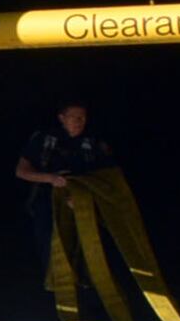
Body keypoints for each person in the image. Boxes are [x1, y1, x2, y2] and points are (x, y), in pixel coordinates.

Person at [14, 98, 115, 277]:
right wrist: (50, 178)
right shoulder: (44, 138)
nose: (79, 121)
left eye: (82, 117)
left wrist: (84, 197)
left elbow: (108, 176)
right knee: (51, 244)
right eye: (73, 117)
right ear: (62, 118)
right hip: (47, 201)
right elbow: (21, 171)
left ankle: (86, 284)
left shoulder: (93, 141)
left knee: (88, 246)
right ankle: (57, 284)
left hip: (83, 203)